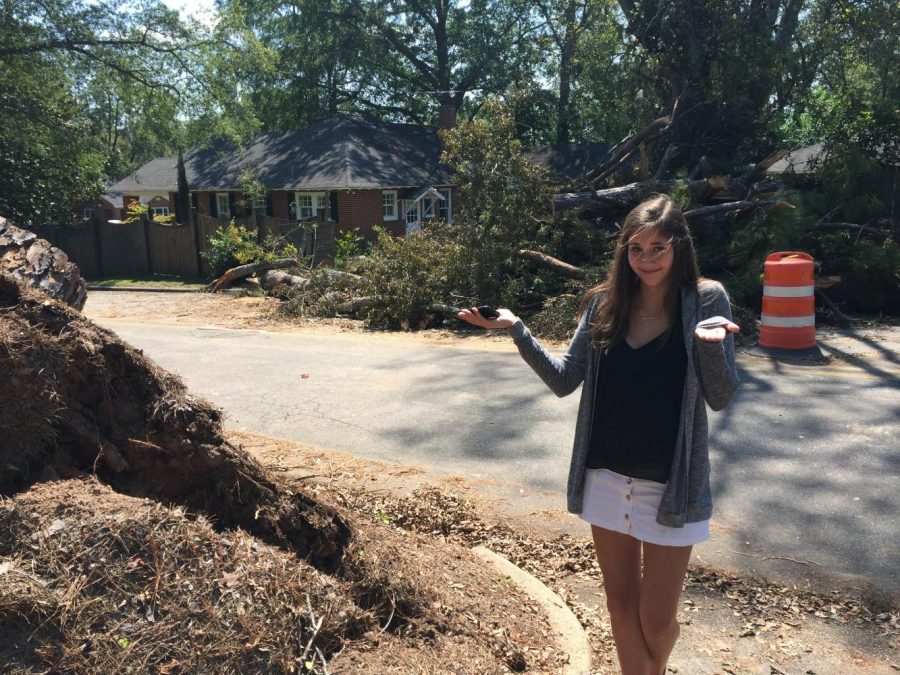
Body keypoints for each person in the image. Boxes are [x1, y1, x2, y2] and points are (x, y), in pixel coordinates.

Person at [458, 194, 739, 675]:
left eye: (658, 248)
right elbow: (566, 379)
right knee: (619, 608)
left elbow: (720, 397)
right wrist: (516, 329)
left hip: (671, 486)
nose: (647, 259)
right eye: (636, 249)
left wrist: (710, 349)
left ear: (680, 248)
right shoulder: (605, 303)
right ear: (624, 251)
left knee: (655, 620)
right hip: (605, 478)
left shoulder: (706, 300)